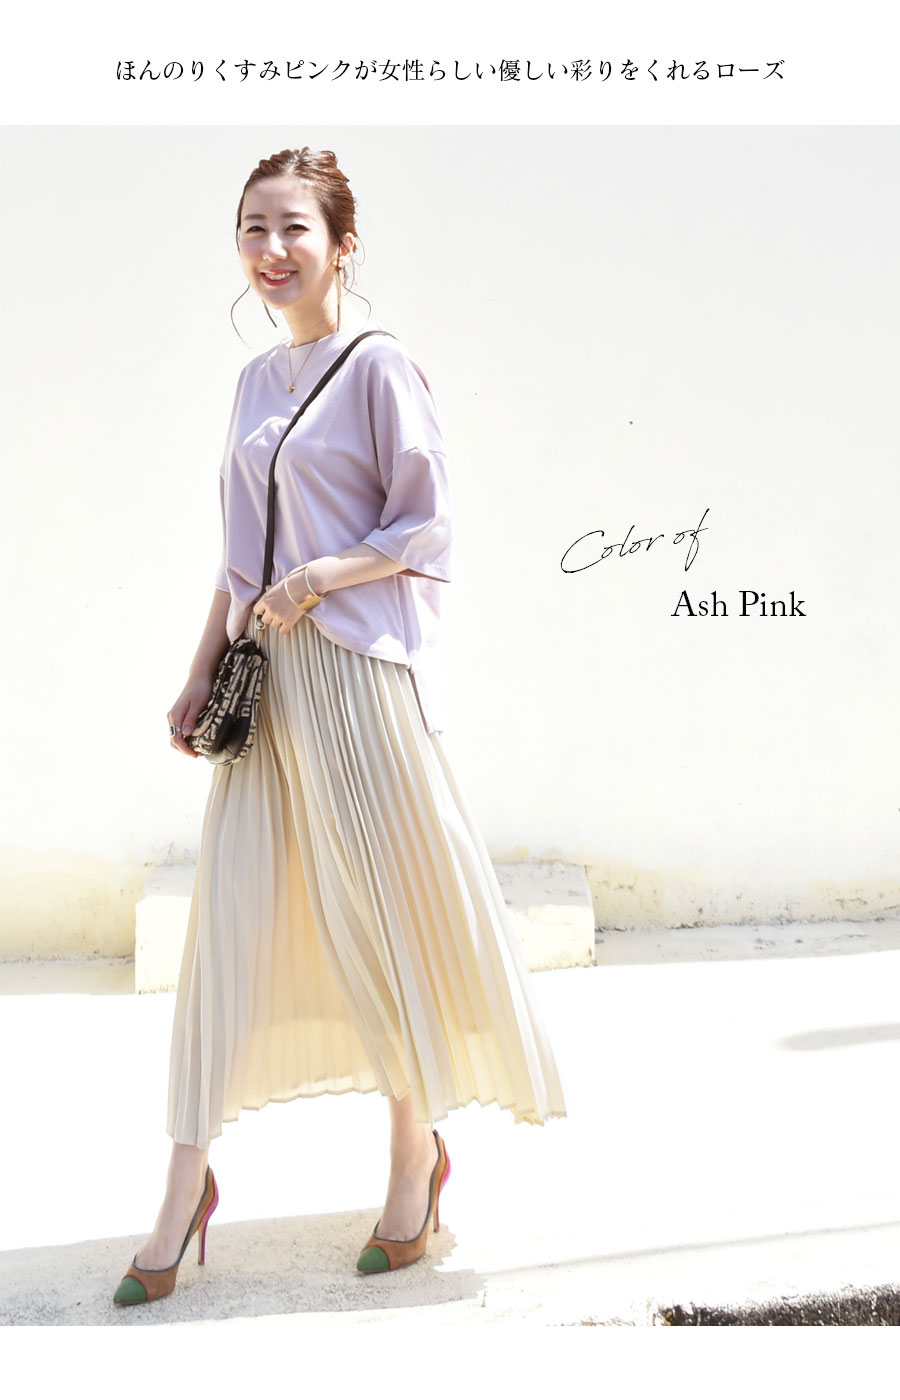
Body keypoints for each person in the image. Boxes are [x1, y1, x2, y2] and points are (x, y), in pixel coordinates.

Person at [113, 146, 567, 1307]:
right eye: (253, 229)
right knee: (227, 927)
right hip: (267, 685)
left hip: (359, 681)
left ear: (342, 244)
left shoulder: (380, 366)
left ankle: (414, 1163)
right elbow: (239, 557)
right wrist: (200, 667)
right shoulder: (252, 383)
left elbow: (427, 527)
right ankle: (183, 1187)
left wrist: (321, 576)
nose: (271, 250)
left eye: (294, 228)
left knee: (382, 919)